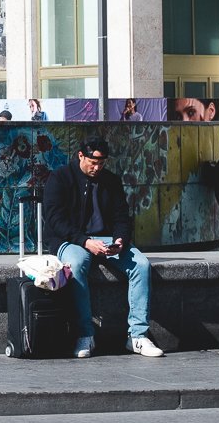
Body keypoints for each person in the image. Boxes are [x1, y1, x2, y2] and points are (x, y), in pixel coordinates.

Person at [42, 136, 164, 359]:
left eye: (102, 163)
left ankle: (137, 336)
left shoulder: (111, 181)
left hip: (107, 240)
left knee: (141, 265)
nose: (97, 167)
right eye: (93, 162)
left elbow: (121, 217)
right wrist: (85, 242)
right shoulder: (60, 177)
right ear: (81, 155)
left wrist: (119, 241)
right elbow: (54, 219)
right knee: (76, 264)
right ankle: (85, 335)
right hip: (71, 240)